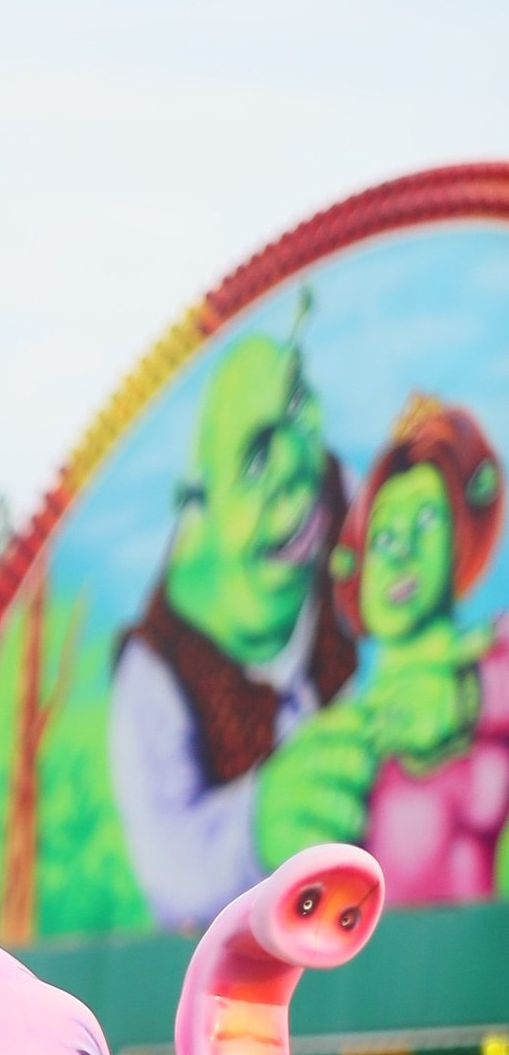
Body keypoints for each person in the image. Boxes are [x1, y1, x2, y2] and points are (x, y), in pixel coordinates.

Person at [106, 315, 363, 931]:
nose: (293, 481)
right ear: (206, 513)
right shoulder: (158, 670)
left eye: (298, 410)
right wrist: (255, 826)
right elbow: (166, 864)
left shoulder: (343, 506)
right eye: (254, 462)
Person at [326, 393, 509, 904]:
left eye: (426, 520)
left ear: (461, 533)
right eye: (383, 537)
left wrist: (466, 699)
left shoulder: (494, 655)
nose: (402, 548)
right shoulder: (344, 732)